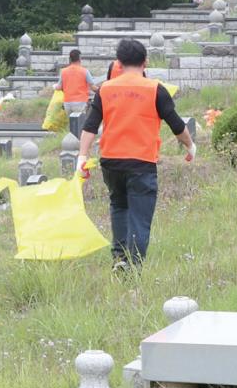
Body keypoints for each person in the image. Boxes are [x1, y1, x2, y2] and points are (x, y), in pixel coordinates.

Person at [76, 39, 194, 271]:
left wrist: (82, 156)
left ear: (119, 62)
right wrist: (190, 147)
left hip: (111, 161)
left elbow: (90, 126)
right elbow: (177, 125)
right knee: (139, 215)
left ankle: (119, 257)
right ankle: (133, 265)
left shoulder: (106, 89)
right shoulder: (155, 89)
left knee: (119, 206)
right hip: (141, 161)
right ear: (145, 62)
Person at [59, 50, 93, 114]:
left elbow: (59, 87)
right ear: (80, 58)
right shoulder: (84, 71)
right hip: (80, 103)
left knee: (72, 123)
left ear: (70, 59)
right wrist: (101, 90)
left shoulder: (63, 71)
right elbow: (93, 87)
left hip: (67, 103)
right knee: (80, 123)